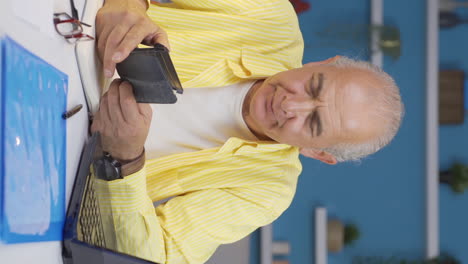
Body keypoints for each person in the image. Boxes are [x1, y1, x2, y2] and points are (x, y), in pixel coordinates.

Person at [90, 0, 404, 263]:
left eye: (313, 123)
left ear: (317, 153)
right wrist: (124, 4)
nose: (290, 105)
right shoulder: (270, 13)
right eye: (313, 85)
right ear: (323, 62)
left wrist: (125, 159)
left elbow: (154, 257)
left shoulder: (268, 193)